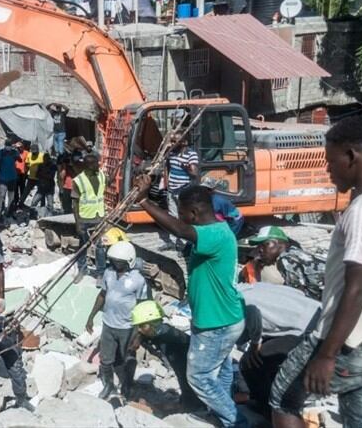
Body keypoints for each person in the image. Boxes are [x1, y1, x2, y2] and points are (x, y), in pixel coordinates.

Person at [269, 116, 362, 428]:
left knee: (283, 398)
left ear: (351, 156)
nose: (328, 170)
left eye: (330, 161)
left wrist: (327, 355)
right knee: (360, 421)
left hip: (350, 340)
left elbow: (358, 289)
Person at [133, 178, 245, 428]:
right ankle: (223, 413)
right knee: (223, 371)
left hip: (216, 322)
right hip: (223, 317)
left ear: (194, 213)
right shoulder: (214, 231)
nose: (178, 217)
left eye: (181, 213)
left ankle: (237, 422)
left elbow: (181, 231)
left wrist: (143, 201)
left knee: (199, 377)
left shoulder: (214, 234)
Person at [237, 283, 321, 415]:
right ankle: (263, 399)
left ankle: (267, 409)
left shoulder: (236, 301)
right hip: (315, 312)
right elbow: (298, 292)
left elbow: (252, 318)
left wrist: (254, 345)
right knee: (259, 358)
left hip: (307, 328)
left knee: (252, 362)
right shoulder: (250, 287)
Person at [85, 241, 148, 399]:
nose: (115, 264)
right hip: (108, 324)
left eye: (119, 262)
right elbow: (102, 295)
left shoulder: (138, 280)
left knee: (126, 357)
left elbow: (143, 307)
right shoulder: (109, 273)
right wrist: (91, 317)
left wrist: (139, 335)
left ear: (129, 261)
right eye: (113, 260)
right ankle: (109, 385)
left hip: (128, 327)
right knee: (106, 359)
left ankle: (127, 385)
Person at [128, 301, 202, 410]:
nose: (139, 329)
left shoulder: (170, 335)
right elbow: (146, 334)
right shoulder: (155, 331)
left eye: (141, 326)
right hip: (179, 364)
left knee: (187, 382)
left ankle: (193, 407)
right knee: (183, 380)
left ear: (153, 324)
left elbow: (191, 345)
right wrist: (139, 337)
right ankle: (186, 402)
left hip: (188, 363)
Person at [240, 226, 326, 301]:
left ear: (279, 243)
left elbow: (297, 295)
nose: (260, 249)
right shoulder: (294, 251)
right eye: (259, 246)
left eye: (265, 244)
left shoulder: (286, 259)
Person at [72, 154, 107, 282]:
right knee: (83, 246)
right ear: (88, 165)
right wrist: (78, 223)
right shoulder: (78, 181)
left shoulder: (101, 175)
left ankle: (100, 274)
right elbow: (74, 204)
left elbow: (109, 182)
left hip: (99, 216)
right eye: (95, 164)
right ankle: (82, 269)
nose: (98, 165)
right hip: (85, 218)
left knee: (100, 247)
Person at [161, 131, 199, 249]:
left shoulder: (191, 154)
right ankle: (173, 241)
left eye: (174, 141)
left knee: (184, 217)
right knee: (172, 216)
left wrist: (186, 168)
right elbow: (167, 168)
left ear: (184, 142)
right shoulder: (171, 153)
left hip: (183, 190)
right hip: (172, 190)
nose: (172, 143)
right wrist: (166, 184)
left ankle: (184, 244)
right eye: (172, 141)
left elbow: (194, 173)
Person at [0, 140, 21, 219]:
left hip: (12, 178)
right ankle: (0, 213)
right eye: (7, 145)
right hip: (3, 179)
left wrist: (16, 152)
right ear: (5, 145)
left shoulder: (14, 152)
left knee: (11, 196)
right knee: (2, 196)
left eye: (9, 145)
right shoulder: (1, 152)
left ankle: (10, 211)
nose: (8, 147)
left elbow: (20, 159)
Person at [13, 141, 29, 211]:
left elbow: (28, 163)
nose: (19, 149)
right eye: (17, 147)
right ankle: (16, 202)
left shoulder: (26, 153)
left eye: (20, 147)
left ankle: (21, 203)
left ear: (22, 147)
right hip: (15, 173)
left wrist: (27, 171)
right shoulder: (14, 153)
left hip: (23, 174)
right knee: (15, 189)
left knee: (22, 189)